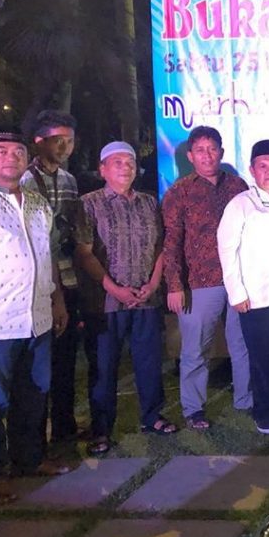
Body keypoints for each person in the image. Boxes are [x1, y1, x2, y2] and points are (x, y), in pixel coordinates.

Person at [0, 125, 70, 505]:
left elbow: (49, 256)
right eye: (1, 151)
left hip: (37, 319)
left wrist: (57, 300)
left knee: (34, 394)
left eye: (17, 151)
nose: (11, 157)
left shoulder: (38, 203)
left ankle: (30, 459)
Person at [77, 141, 176, 455]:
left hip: (146, 298)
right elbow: (84, 253)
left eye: (130, 162)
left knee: (149, 362)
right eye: (117, 162)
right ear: (102, 169)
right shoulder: (88, 203)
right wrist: (113, 288)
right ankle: (101, 429)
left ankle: (152, 416)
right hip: (106, 302)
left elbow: (161, 246)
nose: (125, 167)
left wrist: (154, 283)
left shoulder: (149, 202)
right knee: (104, 368)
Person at [161, 126, 250, 430]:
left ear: (221, 152)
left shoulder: (237, 186)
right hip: (198, 282)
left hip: (238, 279)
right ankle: (193, 409)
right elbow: (171, 241)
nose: (207, 155)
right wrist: (174, 284)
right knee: (196, 350)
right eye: (200, 150)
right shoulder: (180, 192)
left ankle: (246, 399)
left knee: (242, 344)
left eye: (212, 149)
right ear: (190, 156)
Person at [217, 140, 269, 435]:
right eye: (263, 166)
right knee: (262, 356)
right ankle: (264, 411)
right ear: (252, 170)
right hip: (257, 296)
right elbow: (227, 250)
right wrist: (236, 293)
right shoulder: (240, 205)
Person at [21, 110, 82, 449]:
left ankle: (64, 427)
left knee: (66, 357)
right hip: (38, 282)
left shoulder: (70, 181)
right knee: (37, 364)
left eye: (69, 141)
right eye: (57, 140)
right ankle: (34, 440)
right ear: (39, 141)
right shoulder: (25, 181)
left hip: (67, 278)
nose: (64, 147)